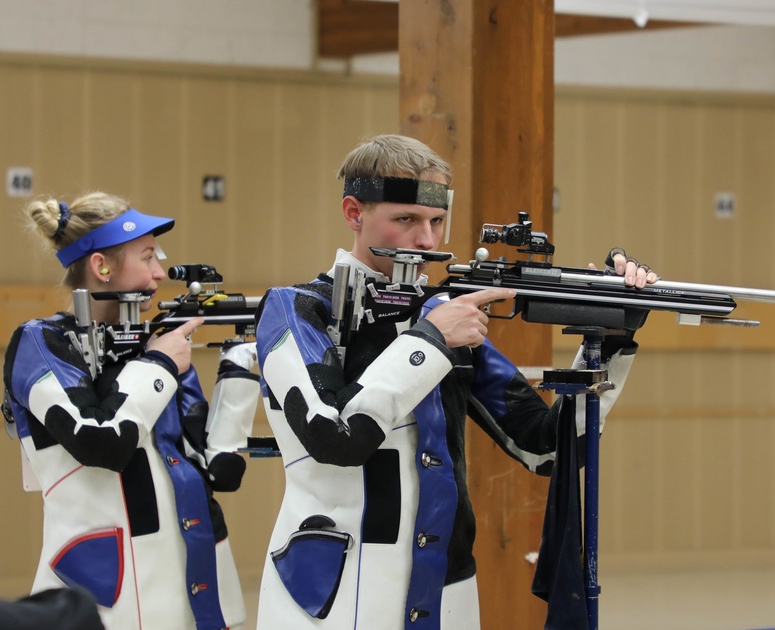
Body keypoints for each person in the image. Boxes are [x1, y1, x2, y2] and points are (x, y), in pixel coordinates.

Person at [254, 134, 658, 630]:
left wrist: (610, 341)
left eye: (436, 222)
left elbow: (547, 448)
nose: (427, 241)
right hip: (335, 588)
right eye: (406, 220)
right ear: (354, 212)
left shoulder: (440, 319)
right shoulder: (296, 309)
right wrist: (430, 341)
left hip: (448, 587)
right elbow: (334, 438)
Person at [2, 193, 260, 630]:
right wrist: (158, 365)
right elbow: (100, 440)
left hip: (200, 587)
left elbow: (220, 471)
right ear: (102, 267)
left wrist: (239, 366)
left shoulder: (156, 347)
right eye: (147, 257)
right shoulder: (42, 343)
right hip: (109, 596)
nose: (161, 272)